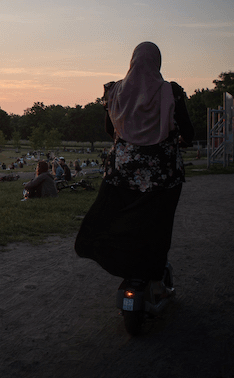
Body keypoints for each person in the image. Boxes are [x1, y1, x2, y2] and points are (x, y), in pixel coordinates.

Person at [75, 42, 194, 294]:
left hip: (122, 172)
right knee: (158, 225)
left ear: (131, 61)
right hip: (164, 175)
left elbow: (110, 129)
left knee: (121, 220)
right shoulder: (171, 91)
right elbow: (189, 132)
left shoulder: (114, 91)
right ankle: (154, 270)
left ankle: (123, 263)